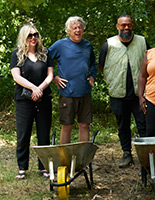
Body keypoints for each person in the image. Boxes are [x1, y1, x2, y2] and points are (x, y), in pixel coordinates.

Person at [99, 14, 149, 168]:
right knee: (123, 125)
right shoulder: (108, 44)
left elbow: (151, 63)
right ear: (117, 26)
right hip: (118, 94)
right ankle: (127, 153)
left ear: (132, 25)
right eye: (123, 25)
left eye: (129, 25)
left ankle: (146, 156)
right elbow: (101, 66)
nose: (126, 27)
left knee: (144, 124)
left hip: (140, 94)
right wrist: (111, 80)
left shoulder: (142, 41)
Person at [10, 23, 54, 179]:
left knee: (44, 134)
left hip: (44, 99)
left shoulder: (45, 53)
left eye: (35, 34)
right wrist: (34, 89)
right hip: (23, 100)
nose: (33, 38)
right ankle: (22, 168)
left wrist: (39, 89)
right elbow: (16, 77)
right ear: (24, 37)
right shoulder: (17, 54)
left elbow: (50, 76)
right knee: (23, 135)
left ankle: (44, 168)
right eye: (30, 35)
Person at [49, 16, 97, 144]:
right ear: (68, 31)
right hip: (67, 93)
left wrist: (93, 76)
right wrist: (54, 77)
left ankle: (82, 160)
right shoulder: (60, 45)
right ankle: (65, 160)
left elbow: (93, 63)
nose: (78, 30)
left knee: (84, 125)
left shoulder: (87, 45)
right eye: (74, 28)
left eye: (80, 27)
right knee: (67, 126)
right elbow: (44, 60)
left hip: (85, 92)